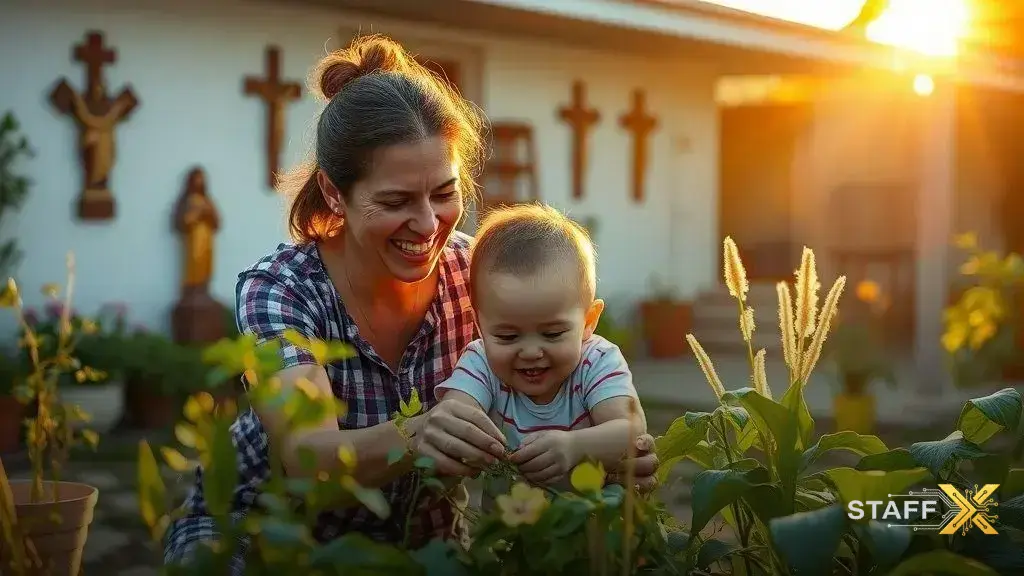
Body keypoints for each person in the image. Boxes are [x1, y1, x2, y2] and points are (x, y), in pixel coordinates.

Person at [162, 34, 658, 572]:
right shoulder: (282, 290)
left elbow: (562, 372)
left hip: (426, 543)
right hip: (268, 533)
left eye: (443, 193)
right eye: (395, 201)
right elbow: (305, 459)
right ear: (333, 193)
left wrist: (611, 451)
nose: (427, 225)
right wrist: (416, 434)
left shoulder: (476, 272)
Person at [436, 203, 646, 488]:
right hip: (510, 518)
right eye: (507, 337)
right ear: (480, 323)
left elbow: (632, 431)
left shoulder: (597, 361)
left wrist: (573, 447)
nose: (531, 352)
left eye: (552, 334)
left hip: (591, 515)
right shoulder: (480, 362)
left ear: (589, 321)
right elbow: (453, 418)